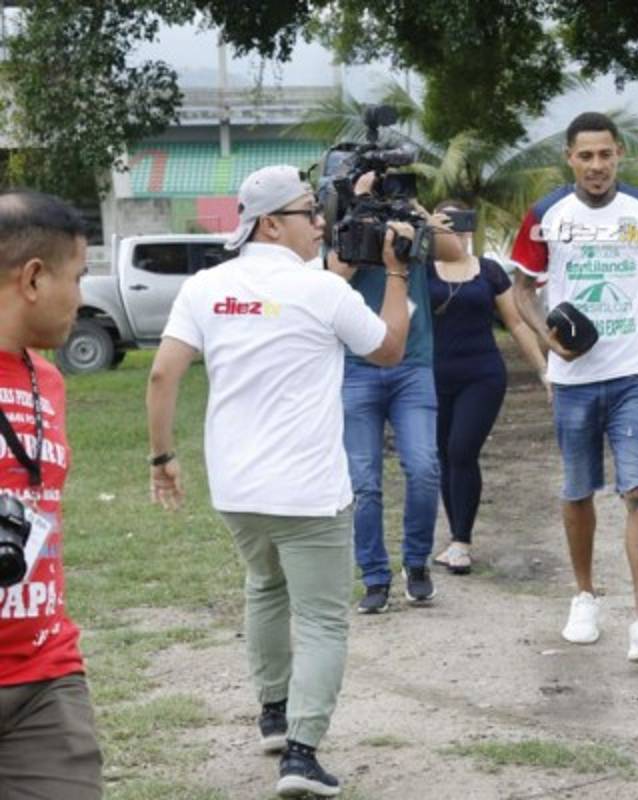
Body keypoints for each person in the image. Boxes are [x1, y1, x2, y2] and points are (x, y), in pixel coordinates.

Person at [146, 165, 410, 797]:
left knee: (264, 587)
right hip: (309, 490)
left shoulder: (206, 287)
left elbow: (162, 375)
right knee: (322, 619)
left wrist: (162, 458)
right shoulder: (320, 291)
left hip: (236, 486)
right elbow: (389, 349)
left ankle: (272, 713)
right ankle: (301, 752)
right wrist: (398, 274)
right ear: (271, 223)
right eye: (310, 213)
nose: (322, 222)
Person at [510, 111, 638, 663]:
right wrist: (548, 343)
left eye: (606, 154)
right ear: (570, 158)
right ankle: (584, 596)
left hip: (634, 372)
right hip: (576, 378)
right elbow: (520, 288)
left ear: (619, 154)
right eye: (586, 156)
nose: (597, 166)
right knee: (578, 490)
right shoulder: (545, 216)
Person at [0, 191, 101, 800]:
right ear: (34, 278)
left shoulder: (50, 381)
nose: (81, 297)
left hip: (44, 676)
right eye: (78, 277)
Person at [426, 201, 548, 574]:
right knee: (444, 456)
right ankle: (453, 537)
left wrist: (543, 369)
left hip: (482, 374)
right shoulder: (419, 270)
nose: (456, 231)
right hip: (430, 375)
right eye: (446, 223)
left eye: (462, 223)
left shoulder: (490, 271)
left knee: (462, 450)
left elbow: (515, 323)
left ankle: (462, 541)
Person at [340, 186, 440, 613]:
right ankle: (374, 577)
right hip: (358, 367)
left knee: (423, 467)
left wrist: (417, 214)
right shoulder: (345, 230)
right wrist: (359, 217)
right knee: (364, 482)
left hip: (412, 367)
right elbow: (332, 277)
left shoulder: (414, 225)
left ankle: (416, 563)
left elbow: (455, 250)